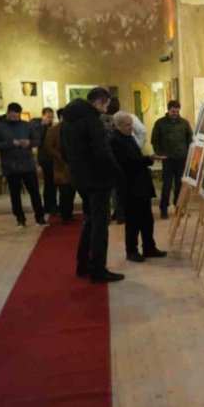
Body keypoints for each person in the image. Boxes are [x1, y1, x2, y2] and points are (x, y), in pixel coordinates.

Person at [61, 87, 124, 283]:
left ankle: (83, 264)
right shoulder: (92, 120)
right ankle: (98, 269)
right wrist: (116, 172)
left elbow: (64, 151)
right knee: (100, 224)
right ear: (99, 102)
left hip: (80, 178)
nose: (106, 108)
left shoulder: (67, 120)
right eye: (105, 104)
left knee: (89, 221)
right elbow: (102, 152)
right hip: (98, 179)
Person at [110, 111, 168, 262]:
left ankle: (149, 247)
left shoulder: (128, 137)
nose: (131, 127)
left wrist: (147, 159)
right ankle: (132, 250)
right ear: (118, 126)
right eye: (128, 125)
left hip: (140, 185)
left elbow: (134, 158)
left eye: (131, 124)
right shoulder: (115, 140)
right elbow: (128, 162)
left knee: (147, 219)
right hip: (130, 187)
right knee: (133, 221)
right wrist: (149, 159)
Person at [0, 102, 46, 228]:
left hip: (27, 164)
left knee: (35, 192)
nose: (15, 118)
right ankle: (20, 218)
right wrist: (10, 143)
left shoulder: (27, 125)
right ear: (8, 113)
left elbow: (37, 140)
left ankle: (40, 217)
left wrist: (29, 143)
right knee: (15, 194)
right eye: (13, 116)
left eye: (17, 116)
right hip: (10, 165)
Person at [152, 99, 193, 219]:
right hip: (168, 159)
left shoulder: (184, 123)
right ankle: (163, 209)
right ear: (168, 109)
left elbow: (189, 138)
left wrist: (190, 154)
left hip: (181, 159)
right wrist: (159, 153)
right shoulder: (160, 123)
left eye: (177, 111)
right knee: (167, 185)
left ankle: (178, 207)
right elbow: (155, 140)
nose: (175, 113)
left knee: (180, 185)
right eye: (173, 111)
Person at [44, 108, 76, 223]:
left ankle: (69, 213)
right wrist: (58, 156)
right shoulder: (53, 130)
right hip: (61, 164)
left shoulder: (74, 128)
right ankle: (64, 215)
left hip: (73, 164)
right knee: (64, 191)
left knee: (72, 190)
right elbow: (48, 147)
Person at [33, 107, 58, 217]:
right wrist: (44, 126)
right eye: (48, 117)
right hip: (45, 158)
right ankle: (49, 205)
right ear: (43, 116)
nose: (50, 119)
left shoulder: (49, 126)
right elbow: (40, 141)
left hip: (50, 157)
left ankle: (51, 204)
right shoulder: (38, 126)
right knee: (49, 182)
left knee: (51, 182)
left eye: (52, 117)